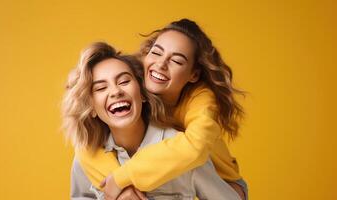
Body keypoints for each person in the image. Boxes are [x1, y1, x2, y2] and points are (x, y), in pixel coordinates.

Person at [77, 19, 248, 200]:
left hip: (225, 183)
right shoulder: (135, 75)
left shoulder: (202, 101)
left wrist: (122, 178)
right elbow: (84, 143)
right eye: (156, 53)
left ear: (194, 74)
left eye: (176, 60)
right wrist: (123, 191)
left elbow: (194, 148)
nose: (160, 64)